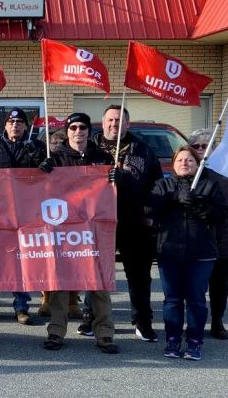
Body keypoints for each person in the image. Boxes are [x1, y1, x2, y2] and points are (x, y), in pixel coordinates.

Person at [41, 113, 119, 354]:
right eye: (73, 127)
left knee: (99, 282)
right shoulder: (55, 158)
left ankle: (104, 333)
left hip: (95, 229)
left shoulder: (102, 157)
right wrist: (40, 172)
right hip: (64, 229)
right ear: (68, 131)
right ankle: (56, 331)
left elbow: (114, 191)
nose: (78, 131)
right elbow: (37, 190)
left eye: (82, 126)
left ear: (88, 129)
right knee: (60, 282)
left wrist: (117, 178)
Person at [145, 145, 228, 361]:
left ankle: (194, 342)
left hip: (201, 253)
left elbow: (221, 215)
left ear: (197, 164)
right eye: (180, 160)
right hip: (169, 252)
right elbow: (150, 210)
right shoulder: (163, 185)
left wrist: (200, 206)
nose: (185, 163)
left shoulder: (210, 186)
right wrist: (171, 199)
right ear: (173, 164)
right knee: (172, 299)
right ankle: (172, 339)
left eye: (190, 160)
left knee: (196, 300)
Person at [89, 105, 163, 341]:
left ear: (127, 124)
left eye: (120, 120)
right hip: (98, 221)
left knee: (139, 275)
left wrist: (148, 211)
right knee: (95, 273)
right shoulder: (90, 148)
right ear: (103, 122)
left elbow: (157, 184)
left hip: (134, 221)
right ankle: (92, 317)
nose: (114, 124)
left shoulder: (143, 150)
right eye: (110, 119)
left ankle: (142, 320)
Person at [0, 108, 46, 325]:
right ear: (5, 125)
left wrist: (39, 158)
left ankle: (21, 307)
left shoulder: (35, 147)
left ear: (26, 126)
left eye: (19, 122)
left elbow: (44, 174)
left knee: (21, 260)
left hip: (24, 213)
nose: (15, 125)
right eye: (11, 121)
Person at [188, 128, 228, 340]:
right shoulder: (187, 166)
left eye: (204, 146)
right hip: (196, 235)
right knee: (196, 284)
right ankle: (194, 322)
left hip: (224, 234)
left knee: (219, 283)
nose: (199, 150)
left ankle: (217, 321)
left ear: (214, 147)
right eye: (195, 146)